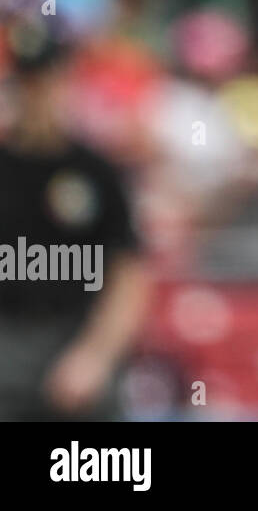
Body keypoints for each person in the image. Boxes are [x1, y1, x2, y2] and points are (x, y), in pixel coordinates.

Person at [0, 22, 151, 421]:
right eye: (29, 83)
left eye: (49, 81)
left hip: (78, 335)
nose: (39, 95)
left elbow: (128, 275)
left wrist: (95, 356)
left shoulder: (96, 172)